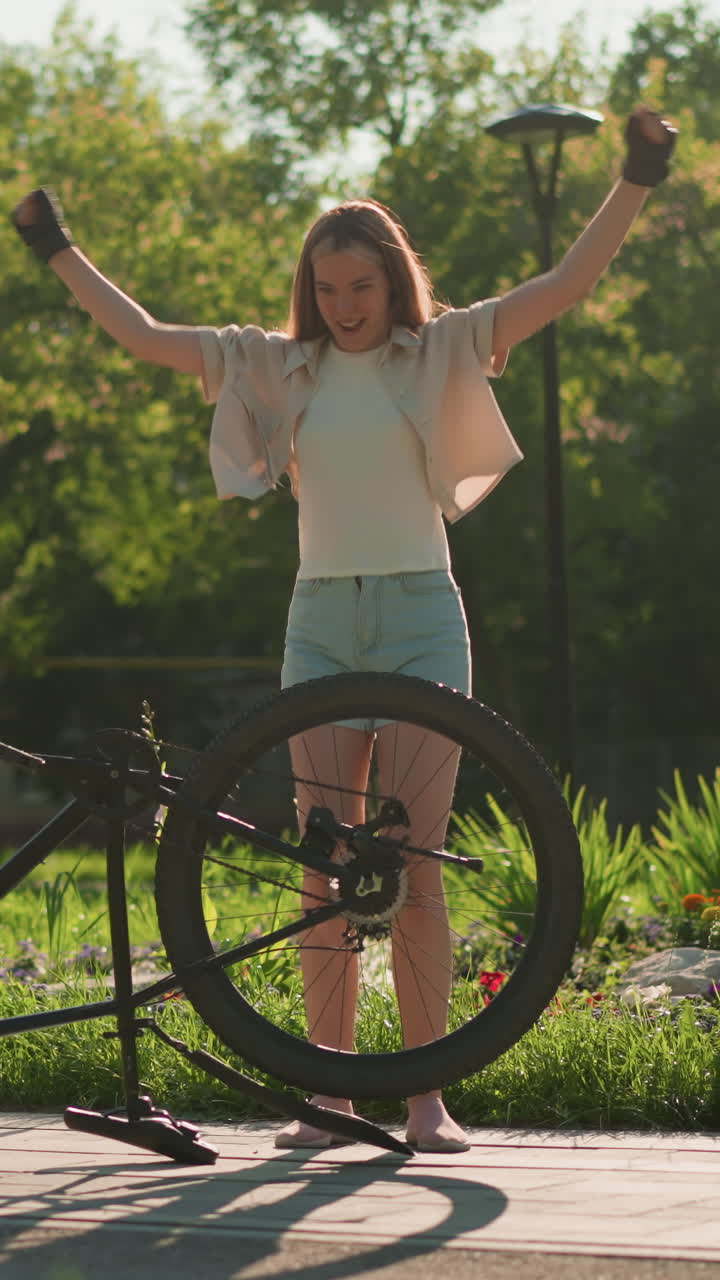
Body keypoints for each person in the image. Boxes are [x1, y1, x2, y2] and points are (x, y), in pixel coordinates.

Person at [11, 104, 677, 1152]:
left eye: (361, 284)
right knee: (322, 864)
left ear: (392, 280)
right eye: (327, 287)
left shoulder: (443, 344)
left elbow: (565, 287)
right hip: (322, 623)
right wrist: (55, 245)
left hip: (420, 615)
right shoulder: (278, 364)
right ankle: (328, 1097)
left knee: (413, 862)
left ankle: (425, 1099)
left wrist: (638, 175)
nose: (345, 303)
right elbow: (143, 335)